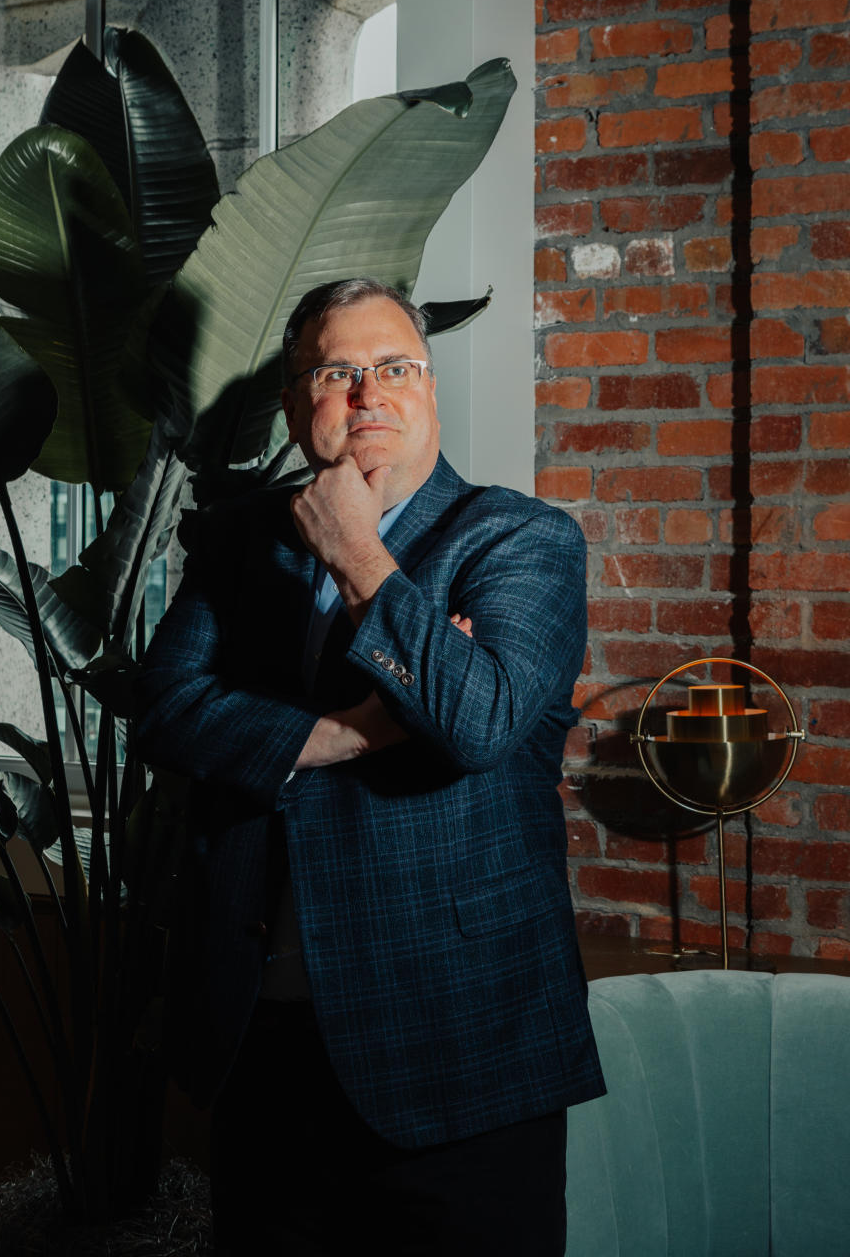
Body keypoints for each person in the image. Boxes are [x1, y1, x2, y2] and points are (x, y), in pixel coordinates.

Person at [136, 277, 605, 1256]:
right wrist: (352, 732)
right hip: (263, 1053)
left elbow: (475, 723)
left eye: (394, 368)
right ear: (293, 403)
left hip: (460, 1056)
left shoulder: (520, 541)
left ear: (429, 389)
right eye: (337, 371)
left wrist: (359, 558)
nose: (367, 394)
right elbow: (165, 710)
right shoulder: (238, 542)